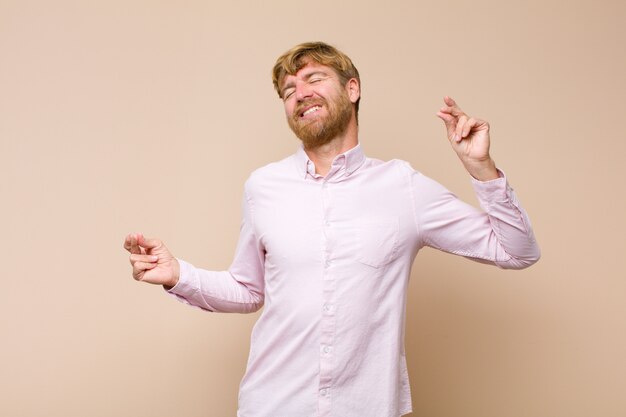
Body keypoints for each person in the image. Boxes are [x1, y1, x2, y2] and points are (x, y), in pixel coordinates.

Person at [124, 41, 540, 417]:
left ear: (353, 89)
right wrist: (179, 274)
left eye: (314, 79)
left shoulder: (403, 187)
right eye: (288, 92)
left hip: (367, 407)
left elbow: (516, 251)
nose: (299, 93)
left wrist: (480, 168)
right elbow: (249, 290)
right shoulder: (263, 187)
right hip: (272, 405)